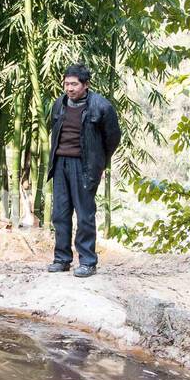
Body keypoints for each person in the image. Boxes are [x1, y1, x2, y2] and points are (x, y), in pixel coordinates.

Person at [46, 64, 121, 277]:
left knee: (85, 214)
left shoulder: (101, 106)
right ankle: (62, 259)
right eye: (66, 84)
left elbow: (113, 137)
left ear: (86, 85)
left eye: (74, 84)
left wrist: (101, 163)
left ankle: (88, 262)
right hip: (60, 163)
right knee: (60, 214)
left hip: (85, 166)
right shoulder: (58, 104)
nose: (69, 88)